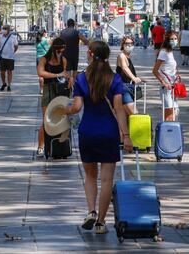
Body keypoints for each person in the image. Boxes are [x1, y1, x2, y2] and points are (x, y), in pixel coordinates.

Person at [60, 41, 133, 234]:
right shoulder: (115, 78)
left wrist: (63, 110)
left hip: (88, 132)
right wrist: (126, 136)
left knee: (90, 176)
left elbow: (76, 108)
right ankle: (101, 223)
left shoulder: (82, 78)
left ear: (90, 54)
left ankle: (91, 211)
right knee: (107, 180)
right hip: (109, 133)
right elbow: (119, 109)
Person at [36, 38, 68, 157]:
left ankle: (60, 147)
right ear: (54, 48)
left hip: (60, 91)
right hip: (48, 90)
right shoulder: (44, 59)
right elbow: (40, 73)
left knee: (61, 118)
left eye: (63, 49)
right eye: (60, 49)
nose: (62, 51)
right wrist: (56, 75)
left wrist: (69, 79)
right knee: (46, 120)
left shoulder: (63, 60)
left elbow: (65, 74)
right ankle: (41, 146)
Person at [152, 31, 180, 121]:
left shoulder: (170, 52)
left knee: (175, 111)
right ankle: (168, 133)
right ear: (167, 40)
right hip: (166, 87)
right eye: (171, 39)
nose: (174, 41)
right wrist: (163, 83)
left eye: (175, 39)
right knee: (169, 113)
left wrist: (177, 75)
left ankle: (171, 132)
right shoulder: (163, 52)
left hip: (173, 86)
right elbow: (155, 70)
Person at [116, 36, 142, 115]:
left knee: (127, 116)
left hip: (129, 88)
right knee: (134, 114)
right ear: (123, 45)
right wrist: (134, 78)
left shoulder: (127, 57)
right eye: (127, 43)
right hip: (123, 88)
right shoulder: (122, 56)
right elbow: (124, 68)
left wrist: (138, 78)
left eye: (131, 43)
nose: (129, 45)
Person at [60, 19, 89, 88]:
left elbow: (58, 41)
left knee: (67, 70)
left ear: (67, 24)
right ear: (74, 24)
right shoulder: (76, 32)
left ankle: (68, 85)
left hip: (65, 54)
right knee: (75, 70)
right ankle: (75, 86)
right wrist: (88, 44)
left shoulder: (62, 32)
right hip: (74, 54)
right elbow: (85, 40)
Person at [0, 25, 18, 92]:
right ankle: (4, 83)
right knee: (2, 72)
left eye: (5, 28)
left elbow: (16, 46)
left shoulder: (13, 37)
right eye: (3, 28)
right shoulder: (0, 37)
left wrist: (12, 53)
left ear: (9, 29)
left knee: (9, 71)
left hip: (10, 57)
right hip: (2, 57)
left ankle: (9, 85)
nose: (4, 30)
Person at [36, 29, 51, 94]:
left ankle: (41, 89)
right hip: (45, 59)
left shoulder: (37, 41)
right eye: (46, 32)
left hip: (38, 58)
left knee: (40, 75)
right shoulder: (46, 40)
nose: (47, 33)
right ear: (44, 33)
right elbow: (49, 50)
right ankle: (46, 88)